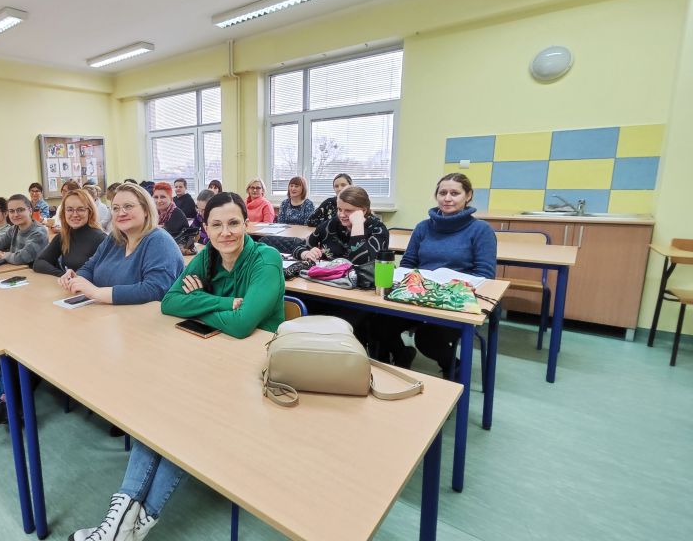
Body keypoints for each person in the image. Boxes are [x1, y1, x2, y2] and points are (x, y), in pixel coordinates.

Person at [71, 192, 284, 541]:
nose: (225, 232)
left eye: (234, 223)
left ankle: (127, 523)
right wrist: (224, 302)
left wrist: (198, 302)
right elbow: (170, 302)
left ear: (247, 224)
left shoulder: (266, 259)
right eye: (216, 224)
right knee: (159, 406)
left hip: (255, 369)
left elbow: (245, 324)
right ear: (206, 229)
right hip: (209, 356)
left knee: (181, 418)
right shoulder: (208, 256)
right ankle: (127, 522)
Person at [376, 173, 496, 378]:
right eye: (442, 193)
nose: (447, 198)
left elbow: (485, 274)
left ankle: (453, 367)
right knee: (377, 321)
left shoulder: (481, 230)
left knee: (428, 338)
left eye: (455, 193)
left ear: (468, 196)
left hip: (456, 300)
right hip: (418, 294)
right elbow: (407, 264)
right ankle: (401, 355)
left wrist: (453, 286)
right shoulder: (423, 227)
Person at [290, 186, 389, 348]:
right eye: (339, 209)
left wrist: (357, 226)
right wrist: (306, 253)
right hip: (328, 289)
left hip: (358, 297)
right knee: (306, 314)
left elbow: (362, 264)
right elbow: (299, 246)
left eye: (349, 211)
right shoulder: (331, 225)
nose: (342, 215)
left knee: (339, 327)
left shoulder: (377, 229)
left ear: (363, 210)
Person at [58, 182, 184, 305]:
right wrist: (77, 278)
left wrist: (97, 293)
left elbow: (155, 289)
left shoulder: (159, 241)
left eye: (128, 206)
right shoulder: (114, 238)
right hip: (108, 318)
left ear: (146, 210)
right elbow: (89, 268)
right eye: (115, 208)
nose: (121, 213)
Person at [34, 189, 106, 277]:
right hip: (70, 287)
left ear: (90, 212)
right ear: (64, 213)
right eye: (69, 210)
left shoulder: (101, 239)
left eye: (81, 209)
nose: (75, 214)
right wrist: (64, 275)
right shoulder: (64, 236)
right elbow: (39, 263)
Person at [0, 194, 49, 266]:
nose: (15, 215)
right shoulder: (13, 229)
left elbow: (20, 258)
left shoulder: (39, 233)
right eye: (11, 211)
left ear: (30, 210)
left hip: (38, 274)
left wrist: (2, 255)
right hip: (17, 270)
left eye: (20, 210)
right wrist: (9, 256)